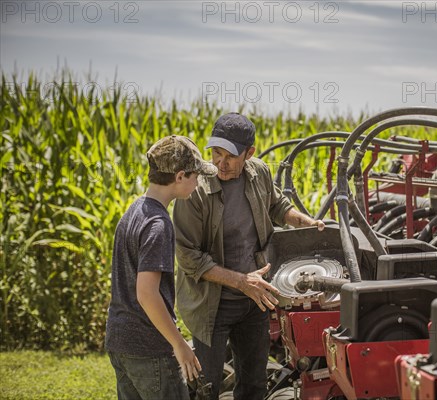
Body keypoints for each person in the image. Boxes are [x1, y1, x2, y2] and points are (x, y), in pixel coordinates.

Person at [173, 112, 325, 400]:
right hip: (211, 306)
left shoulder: (259, 173)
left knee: (254, 385)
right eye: (216, 153)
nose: (221, 163)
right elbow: (188, 256)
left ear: (249, 153)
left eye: (229, 156)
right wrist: (242, 281)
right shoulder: (196, 189)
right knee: (206, 388)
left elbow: (277, 206)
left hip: (254, 302)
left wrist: (305, 221)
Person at [105, 135, 218, 400]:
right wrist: (179, 345)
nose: (198, 182)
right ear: (180, 176)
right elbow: (146, 294)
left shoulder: (133, 211)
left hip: (120, 342)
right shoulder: (159, 224)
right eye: (196, 175)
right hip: (149, 349)